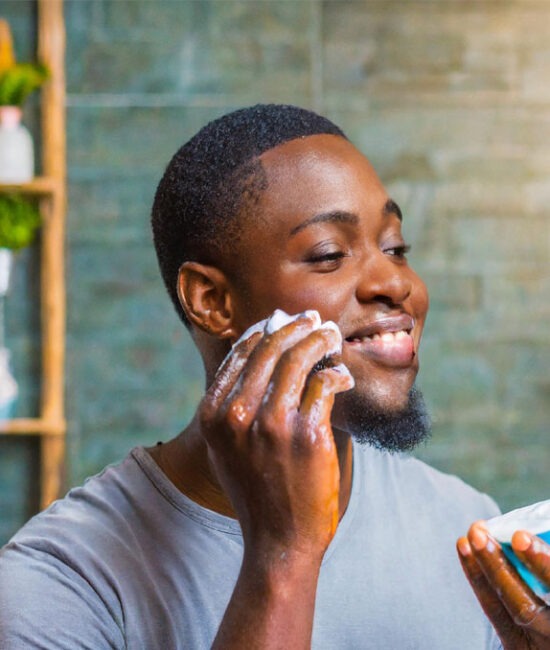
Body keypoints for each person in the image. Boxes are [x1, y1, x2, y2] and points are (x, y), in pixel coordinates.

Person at [1, 104, 549, 649]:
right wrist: (284, 553)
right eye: (330, 254)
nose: (395, 283)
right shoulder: (61, 587)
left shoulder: (465, 526)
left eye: (395, 248)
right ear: (213, 301)